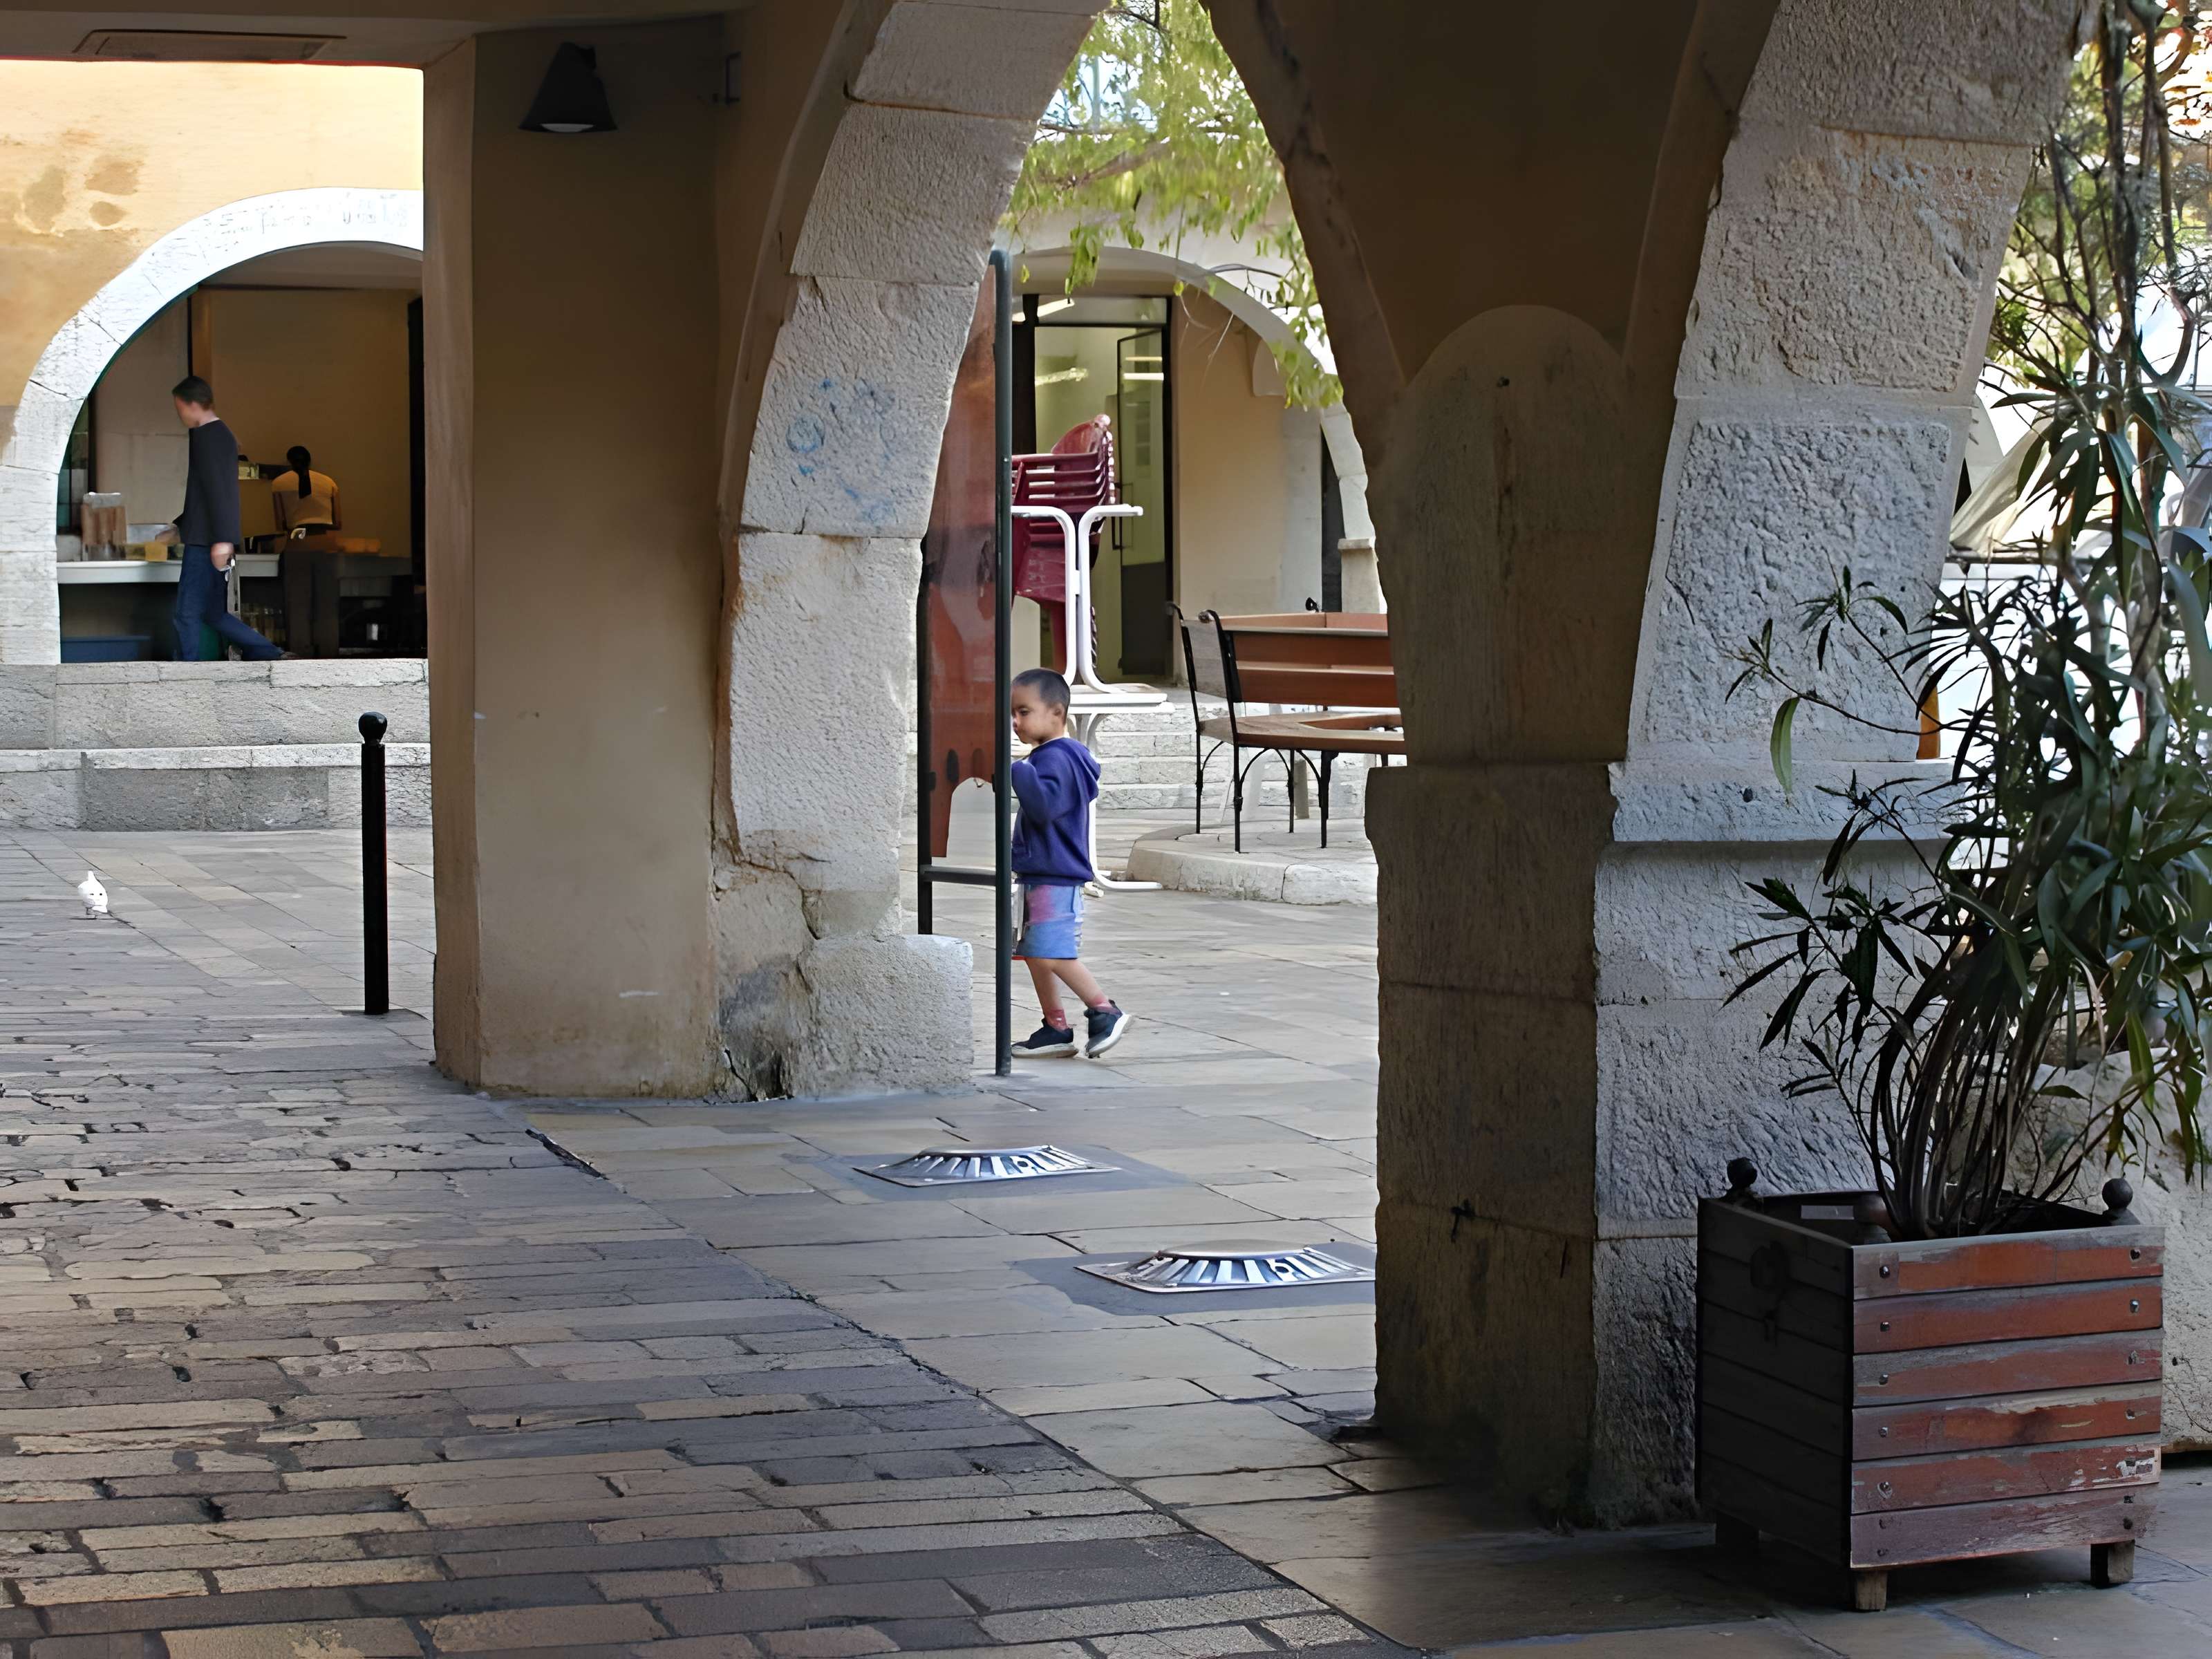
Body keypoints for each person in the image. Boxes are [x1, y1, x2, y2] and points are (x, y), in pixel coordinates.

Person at [1007, 667, 1132, 1059]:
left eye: (1024, 712)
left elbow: (1043, 808)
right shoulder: (1051, 757)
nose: (1015, 721)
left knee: (1051, 952)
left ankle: (1104, 1011)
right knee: (1036, 951)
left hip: (1055, 877)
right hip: (1041, 872)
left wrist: (1014, 769)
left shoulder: (1057, 758)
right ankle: (1056, 1028)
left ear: (1057, 712)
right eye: (1012, 712)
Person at [170, 376, 280, 662]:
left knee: (187, 613)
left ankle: (186, 672)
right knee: (211, 612)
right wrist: (180, 525)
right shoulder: (216, 435)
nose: (179, 414)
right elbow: (208, 493)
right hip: (207, 536)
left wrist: (223, 540)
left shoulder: (211, 436)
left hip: (205, 541)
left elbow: (221, 492)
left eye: (179, 408)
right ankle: (266, 651)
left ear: (193, 406)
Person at [269, 444, 343, 657]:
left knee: (298, 603)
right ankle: (329, 652)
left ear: (289, 461)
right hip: (327, 543)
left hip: (297, 542)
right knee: (327, 604)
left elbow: (280, 523)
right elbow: (338, 521)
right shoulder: (329, 483)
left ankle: (300, 652)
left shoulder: (279, 484)